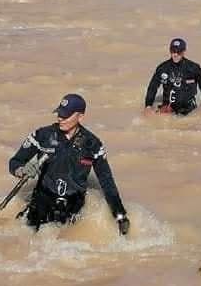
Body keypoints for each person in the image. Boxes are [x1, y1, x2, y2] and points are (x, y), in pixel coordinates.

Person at [9, 94, 130, 235]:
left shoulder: (93, 144)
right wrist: (22, 170)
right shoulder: (42, 135)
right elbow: (15, 162)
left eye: (66, 116)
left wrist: (120, 215)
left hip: (73, 205)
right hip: (43, 199)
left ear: (80, 116)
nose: (60, 118)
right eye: (59, 113)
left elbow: (107, 182)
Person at [144, 38, 201, 117]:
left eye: (178, 52)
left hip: (188, 109)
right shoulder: (162, 68)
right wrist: (148, 105)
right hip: (168, 109)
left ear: (183, 52)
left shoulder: (193, 68)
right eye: (173, 51)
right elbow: (153, 87)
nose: (175, 54)